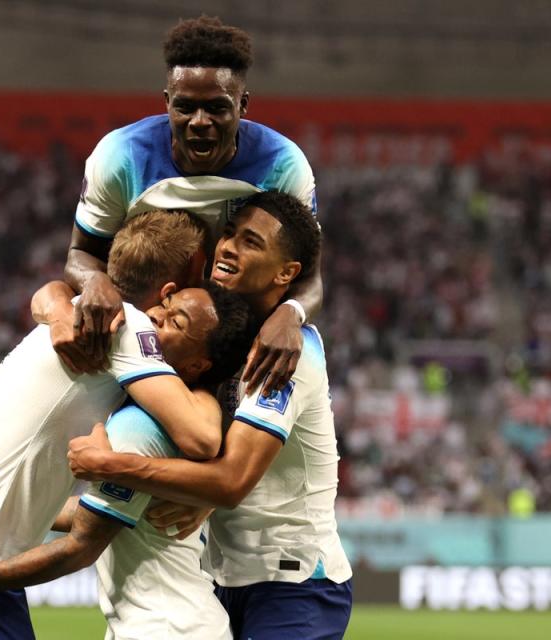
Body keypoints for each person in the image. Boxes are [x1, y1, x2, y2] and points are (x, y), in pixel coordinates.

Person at [0, 210, 252, 639]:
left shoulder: (80, 311)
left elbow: (50, 292)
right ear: (175, 284)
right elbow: (201, 437)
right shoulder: (128, 327)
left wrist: (57, 302)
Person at [68, 191, 354, 640]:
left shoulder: (286, 355)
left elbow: (231, 481)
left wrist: (111, 466)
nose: (228, 248)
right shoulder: (220, 345)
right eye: (229, 234)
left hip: (294, 584)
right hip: (223, 579)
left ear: (287, 272)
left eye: (251, 242)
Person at [66, 15, 323, 397]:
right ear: (167, 102)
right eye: (185, 107)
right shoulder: (120, 156)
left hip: (241, 349)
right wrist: (95, 280)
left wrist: (292, 315)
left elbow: (309, 277)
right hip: (148, 340)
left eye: (217, 108)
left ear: (243, 104)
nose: (199, 122)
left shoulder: (282, 163)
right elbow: (79, 256)